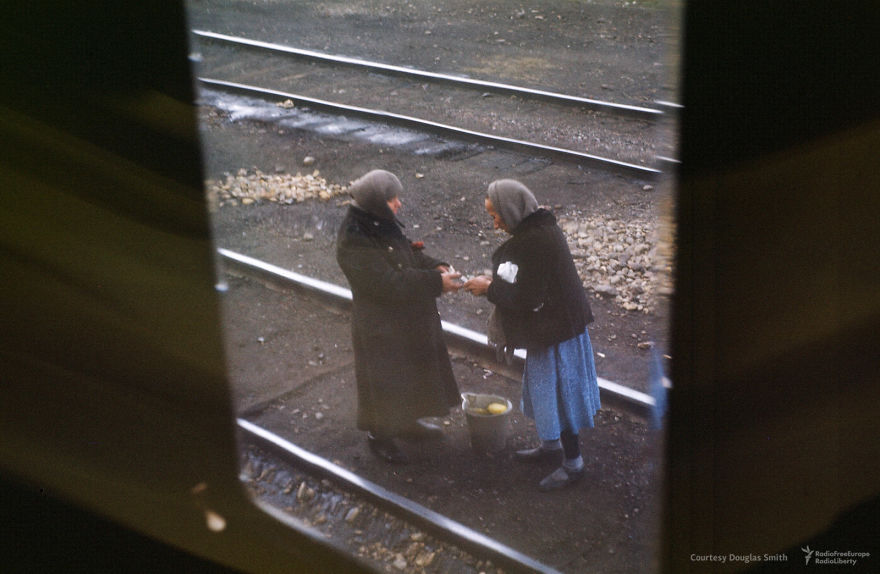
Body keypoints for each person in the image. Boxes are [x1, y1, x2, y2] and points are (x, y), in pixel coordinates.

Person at [463, 179, 601, 491]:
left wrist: (489, 289)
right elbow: (525, 280)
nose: (495, 222)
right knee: (545, 389)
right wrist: (493, 283)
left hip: (558, 333)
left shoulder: (533, 240)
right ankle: (551, 447)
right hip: (555, 326)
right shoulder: (538, 229)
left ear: (512, 210)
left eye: (495, 214)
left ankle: (574, 464)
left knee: (560, 394)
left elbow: (526, 297)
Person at [336, 169, 462, 464]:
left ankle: (407, 423)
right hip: (380, 324)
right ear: (377, 202)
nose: (399, 204)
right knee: (386, 379)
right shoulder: (354, 236)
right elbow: (386, 282)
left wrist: (437, 266)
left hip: (403, 316)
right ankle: (379, 436)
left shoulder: (376, 220)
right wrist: (434, 282)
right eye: (393, 199)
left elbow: (407, 253)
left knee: (408, 372)